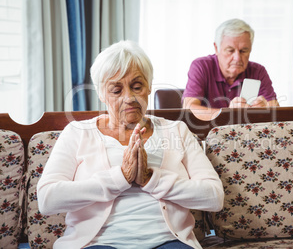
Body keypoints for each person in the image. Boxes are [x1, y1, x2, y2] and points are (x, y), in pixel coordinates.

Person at [37, 40, 224, 249]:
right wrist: (120, 178)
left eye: (137, 86)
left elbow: (214, 196)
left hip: (170, 242)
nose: (129, 97)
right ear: (101, 93)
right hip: (97, 244)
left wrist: (151, 179)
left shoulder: (177, 131)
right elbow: (47, 199)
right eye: (116, 90)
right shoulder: (77, 133)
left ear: (149, 86)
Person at [182, 18, 279, 120]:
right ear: (216, 48)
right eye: (230, 50)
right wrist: (229, 114)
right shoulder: (201, 66)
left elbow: (275, 109)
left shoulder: (258, 71)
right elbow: (189, 108)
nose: (237, 58)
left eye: (243, 51)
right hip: (208, 132)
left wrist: (265, 109)